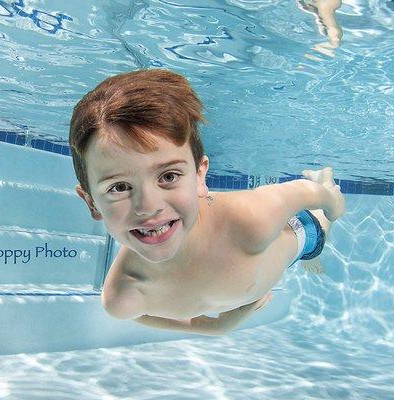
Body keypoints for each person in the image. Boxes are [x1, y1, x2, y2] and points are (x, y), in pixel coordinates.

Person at [69, 69, 345, 336]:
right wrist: (212, 327)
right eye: (119, 187)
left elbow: (307, 192)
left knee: (320, 231)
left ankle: (325, 178)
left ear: (200, 176)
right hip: (258, 276)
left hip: (300, 233)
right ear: (92, 202)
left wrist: (334, 205)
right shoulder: (123, 296)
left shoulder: (252, 217)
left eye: (168, 176)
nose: (149, 206)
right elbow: (140, 315)